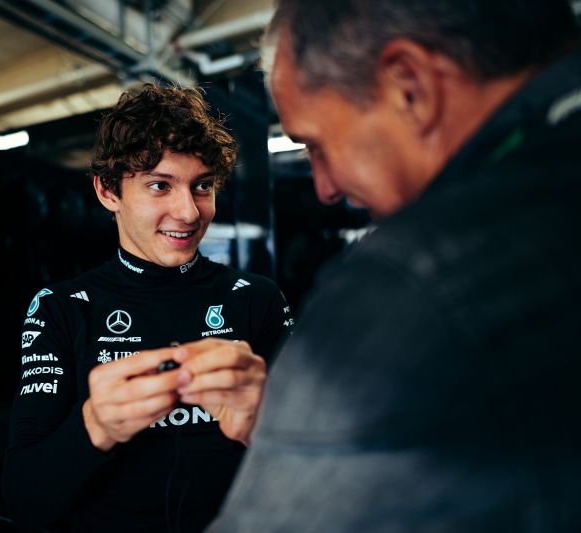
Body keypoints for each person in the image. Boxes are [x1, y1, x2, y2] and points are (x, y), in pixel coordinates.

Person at [210, 1, 581, 531]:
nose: (324, 188)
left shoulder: (411, 282)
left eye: (316, 145)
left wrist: (311, 426)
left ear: (410, 86)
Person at [2, 83, 293, 532]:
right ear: (108, 192)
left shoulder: (257, 298)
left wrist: (263, 428)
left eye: (202, 186)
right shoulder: (61, 308)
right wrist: (96, 425)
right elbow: (24, 500)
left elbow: (327, 474)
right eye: (160, 185)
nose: (189, 212)